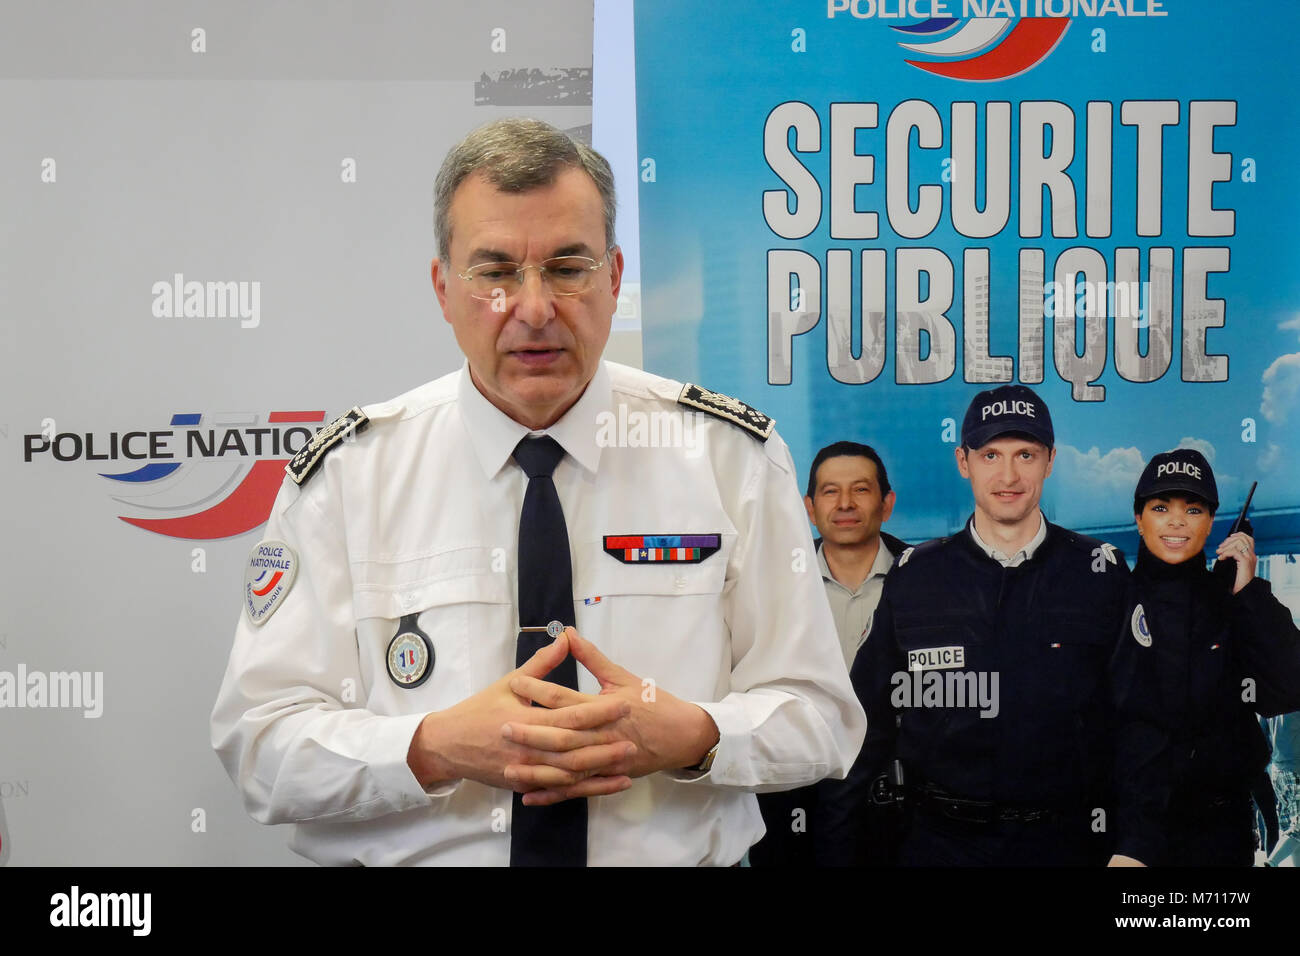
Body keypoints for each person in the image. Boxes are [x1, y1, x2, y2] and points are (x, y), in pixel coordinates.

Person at [209, 118, 865, 866]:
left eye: (566, 266)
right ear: (443, 290)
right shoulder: (350, 478)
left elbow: (821, 717)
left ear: (614, 278)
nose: (532, 308)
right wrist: (430, 747)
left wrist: (693, 735)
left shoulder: (728, 458)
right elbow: (259, 744)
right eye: (494, 272)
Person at [823, 384, 1156, 866]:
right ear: (964, 462)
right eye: (990, 454)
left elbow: (1140, 720)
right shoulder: (917, 576)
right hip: (938, 844)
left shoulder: (1098, 572)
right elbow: (860, 724)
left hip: (1067, 844)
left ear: (1050, 460)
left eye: (1026, 454)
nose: (1008, 474)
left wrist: (1135, 847)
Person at [1124, 449, 1300, 866]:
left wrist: (1249, 592)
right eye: (1161, 507)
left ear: (1210, 524)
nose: (1177, 520)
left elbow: (1288, 689)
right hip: (1128, 831)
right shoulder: (1109, 600)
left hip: (1221, 831)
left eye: (1194, 509)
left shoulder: (1235, 599)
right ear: (1139, 518)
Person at [750, 440, 908, 866]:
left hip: (902, 794)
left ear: (886, 503)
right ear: (809, 506)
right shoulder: (770, 585)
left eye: (860, 490)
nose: (844, 504)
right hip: (794, 789)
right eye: (829, 491)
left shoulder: (927, 580)